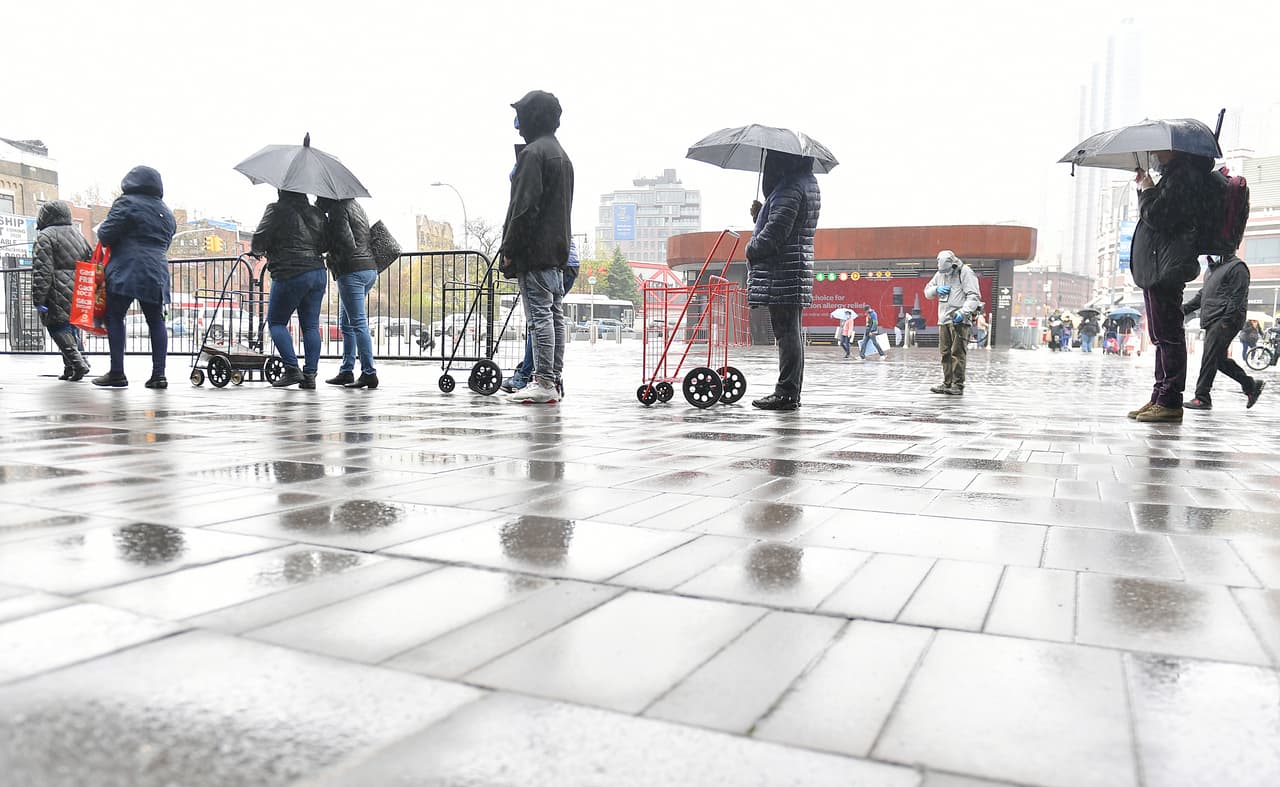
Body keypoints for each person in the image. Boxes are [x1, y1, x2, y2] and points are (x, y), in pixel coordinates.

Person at [1127, 151, 1219, 423]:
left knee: (1168, 334)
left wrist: (1146, 190)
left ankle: (1169, 400)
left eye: (1158, 149)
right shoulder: (1176, 177)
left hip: (1167, 266)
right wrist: (1150, 187)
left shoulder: (1184, 177)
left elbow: (1158, 215)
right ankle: (1160, 395)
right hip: (1160, 264)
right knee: (1160, 335)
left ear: (1175, 150)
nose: (1154, 154)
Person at [500, 90, 574, 404]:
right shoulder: (561, 155)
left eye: (521, 116)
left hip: (535, 252)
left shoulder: (533, 155)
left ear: (532, 117)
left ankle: (543, 382)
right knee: (554, 317)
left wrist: (510, 248)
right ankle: (552, 380)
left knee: (540, 318)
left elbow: (524, 208)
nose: (517, 124)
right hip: (557, 251)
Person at [746, 150, 820, 411]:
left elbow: (777, 231)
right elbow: (788, 223)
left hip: (783, 271)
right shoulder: (803, 183)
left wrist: (752, 247)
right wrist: (762, 213)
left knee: (787, 333)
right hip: (791, 269)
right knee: (790, 332)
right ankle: (790, 392)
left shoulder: (790, 186)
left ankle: (786, 393)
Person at [92, 166, 177, 388]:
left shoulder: (126, 202)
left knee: (115, 316)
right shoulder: (166, 212)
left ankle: (117, 373)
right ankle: (159, 375)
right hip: (157, 270)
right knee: (156, 320)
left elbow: (106, 234)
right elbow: (166, 241)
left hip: (127, 268)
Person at [251, 190, 328, 389]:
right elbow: (326, 244)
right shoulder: (316, 213)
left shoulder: (276, 210)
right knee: (310, 326)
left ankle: (292, 368)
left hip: (290, 272)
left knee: (276, 322)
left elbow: (259, 238)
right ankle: (310, 375)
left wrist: (258, 251)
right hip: (317, 271)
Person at [1181, 253, 1265, 410]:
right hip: (1213, 319)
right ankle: (1250, 385)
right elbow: (1202, 295)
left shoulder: (1237, 267)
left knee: (1209, 357)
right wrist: (1182, 310)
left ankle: (1202, 397)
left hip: (1223, 320)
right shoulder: (1213, 270)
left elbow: (1237, 296)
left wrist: (1226, 321)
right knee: (1217, 359)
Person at [318, 197, 379, 389]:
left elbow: (345, 241)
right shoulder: (356, 206)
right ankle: (346, 371)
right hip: (369, 268)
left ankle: (369, 373)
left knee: (358, 323)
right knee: (347, 323)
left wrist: (329, 252)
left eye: (319, 196)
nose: (316, 199)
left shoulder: (337, 209)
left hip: (352, 270)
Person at [503, 240, 578, 393]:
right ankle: (552, 377)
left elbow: (519, 229)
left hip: (548, 260)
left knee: (540, 320)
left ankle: (527, 377)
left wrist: (509, 255)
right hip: (566, 262)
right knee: (550, 318)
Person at [31, 200, 93, 381]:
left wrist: (38, 299)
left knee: (56, 327)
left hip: (56, 290)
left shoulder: (45, 236)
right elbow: (89, 259)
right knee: (72, 327)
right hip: (79, 287)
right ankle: (73, 366)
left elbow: (42, 271)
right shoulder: (77, 234)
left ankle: (77, 363)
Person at [924, 250, 982, 395]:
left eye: (948, 270)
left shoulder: (965, 272)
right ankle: (947, 382)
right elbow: (927, 291)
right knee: (945, 353)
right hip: (943, 319)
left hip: (959, 320)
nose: (946, 274)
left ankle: (957, 385)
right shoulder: (940, 274)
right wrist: (936, 289)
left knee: (957, 353)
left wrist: (963, 312)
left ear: (953, 265)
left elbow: (973, 296)